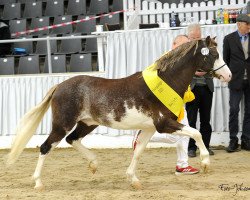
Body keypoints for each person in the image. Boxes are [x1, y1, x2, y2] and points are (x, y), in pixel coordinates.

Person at [134, 35, 199, 175]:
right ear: (174, 44)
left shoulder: (181, 60)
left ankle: (182, 165)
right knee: (176, 135)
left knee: (184, 134)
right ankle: (142, 136)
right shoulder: (167, 59)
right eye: (183, 45)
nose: (186, 49)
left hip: (177, 103)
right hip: (168, 104)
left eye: (187, 46)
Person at [185, 24, 215, 157]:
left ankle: (206, 146)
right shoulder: (184, 50)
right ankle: (191, 148)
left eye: (199, 37)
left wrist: (206, 69)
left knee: (206, 119)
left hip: (207, 88)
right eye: (194, 37)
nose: (197, 39)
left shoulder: (206, 48)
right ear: (189, 37)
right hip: (192, 89)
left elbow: (213, 64)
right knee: (191, 120)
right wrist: (194, 71)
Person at [223, 14, 250, 152]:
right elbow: (225, 61)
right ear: (239, 24)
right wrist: (228, 77)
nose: (249, 27)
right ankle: (233, 140)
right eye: (248, 24)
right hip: (235, 81)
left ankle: (246, 139)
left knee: (249, 111)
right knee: (234, 109)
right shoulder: (228, 39)